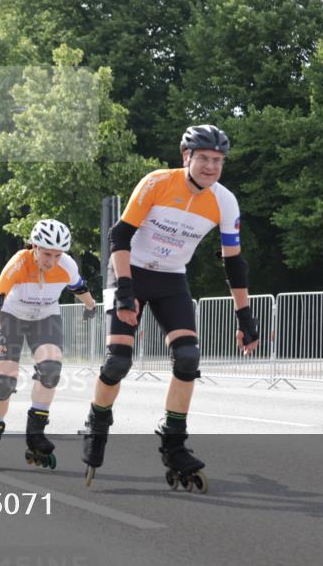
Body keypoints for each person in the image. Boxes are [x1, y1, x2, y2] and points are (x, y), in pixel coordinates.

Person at [81, 125, 260, 491]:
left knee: (188, 357)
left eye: (218, 161)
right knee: (118, 361)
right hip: (128, 272)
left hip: (171, 280)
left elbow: (234, 264)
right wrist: (126, 293)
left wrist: (245, 316)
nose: (211, 167)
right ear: (186, 158)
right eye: (204, 159)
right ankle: (97, 422)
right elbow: (119, 235)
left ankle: (174, 443)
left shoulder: (225, 202)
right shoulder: (157, 182)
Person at [0, 219, 96, 469]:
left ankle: (36, 431)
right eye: (47, 254)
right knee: (4, 381)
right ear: (34, 247)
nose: (52, 261)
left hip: (44, 318)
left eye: (58, 255)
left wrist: (91, 306)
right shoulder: (20, 261)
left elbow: (79, 287)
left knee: (51, 369)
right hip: (11, 317)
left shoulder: (67, 265)